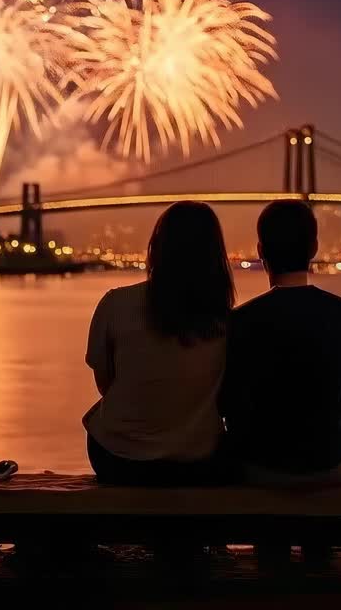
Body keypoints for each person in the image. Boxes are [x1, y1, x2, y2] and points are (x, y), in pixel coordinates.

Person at [220, 200, 341, 486]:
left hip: (256, 466)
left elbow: (224, 405)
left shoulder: (237, 323)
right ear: (314, 248)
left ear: (260, 250)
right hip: (329, 466)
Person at [83, 201, 236, 485]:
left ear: (157, 247)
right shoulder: (227, 322)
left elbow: (105, 383)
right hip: (197, 462)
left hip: (117, 459)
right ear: (215, 255)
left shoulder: (115, 303)